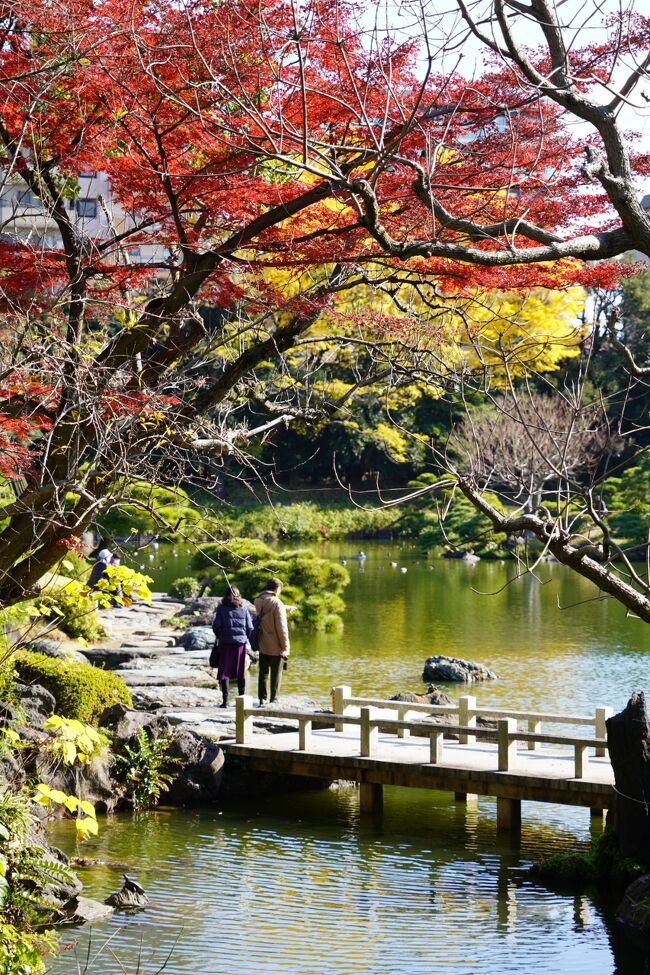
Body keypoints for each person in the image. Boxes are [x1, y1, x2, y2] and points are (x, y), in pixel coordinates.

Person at [212, 586, 255, 708]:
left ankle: (225, 701)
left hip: (225, 644)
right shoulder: (244, 609)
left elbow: (216, 626)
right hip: (240, 645)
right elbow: (250, 628)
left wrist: (221, 636)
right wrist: (243, 638)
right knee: (240, 672)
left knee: (224, 673)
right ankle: (242, 700)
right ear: (238, 596)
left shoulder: (221, 609)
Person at [254, 577, 290, 707]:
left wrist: (285, 608)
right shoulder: (277, 603)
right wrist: (285, 647)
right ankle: (274, 699)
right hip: (275, 644)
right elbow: (282, 628)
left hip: (262, 641)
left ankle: (261, 698)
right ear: (277, 588)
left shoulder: (258, 600)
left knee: (263, 673)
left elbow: (267, 611)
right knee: (276, 673)